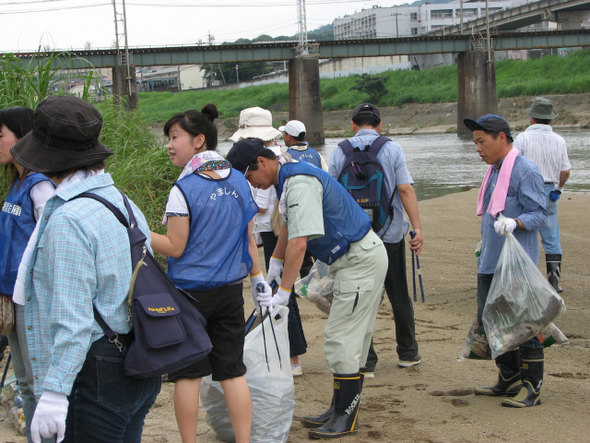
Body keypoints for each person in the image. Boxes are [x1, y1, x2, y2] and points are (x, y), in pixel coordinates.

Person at [11, 95, 161, 443]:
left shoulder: (68, 219)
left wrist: (54, 393)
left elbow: (73, 321)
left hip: (95, 370)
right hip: (139, 357)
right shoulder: (123, 201)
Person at [227, 139, 388, 439]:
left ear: (261, 163)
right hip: (354, 258)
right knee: (352, 339)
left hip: (359, 261)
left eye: (250, 178)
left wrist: (284, 294)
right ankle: (338, 409)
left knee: (342, 339)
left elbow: (300, 244)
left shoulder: (298, 182)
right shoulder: (288, 175)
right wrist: (274, 264)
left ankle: (346, 416)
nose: (254, 186)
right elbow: (288, 224)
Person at [150, 105, 270, 443]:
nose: (170, 145)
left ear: (198, 140)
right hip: (231, 291)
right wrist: (258, 280)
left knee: (188, 375)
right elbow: (248, 240)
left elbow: (174, 246)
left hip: (189, 294)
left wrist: (137, 230)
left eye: (175, 138)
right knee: (232, 372)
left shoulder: (184, 188)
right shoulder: (239, 181)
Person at [328, 103, 423, 377]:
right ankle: (407, 353)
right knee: (399, 294)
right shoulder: (392, 148)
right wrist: (416, 228)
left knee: (360, 296)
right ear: (379, 125)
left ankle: (366, 361)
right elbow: (404, 189)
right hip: (390, 233)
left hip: (356, 236)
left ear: (353, 124)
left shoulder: (339, 150)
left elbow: (332, 194)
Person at [464, 113, 547, 408]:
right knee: (492, 320)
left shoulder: (525, 170)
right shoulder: (495, 170)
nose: (478, 148)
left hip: (515, 264)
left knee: (523, 324)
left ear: (502, 138)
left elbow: (540, 213)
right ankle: (509, 377)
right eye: (476, 143)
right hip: (489, 260)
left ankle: (532, 386)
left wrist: (516, 222)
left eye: (481, 141)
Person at [231, 108, 308, 378]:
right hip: (283, 228)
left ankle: (291, 356)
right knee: (279, 288)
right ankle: (288, 354)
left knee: (280, 291)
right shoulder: (282, 154)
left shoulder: (261, 161)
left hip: (278, 230)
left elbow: (262, 205)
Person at [0, 107, 55, 443]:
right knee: (23, 382)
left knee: (37, 382)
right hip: (12, 295)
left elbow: (50, 242)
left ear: (23, 138)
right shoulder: (17, 183)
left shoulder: (39, 186)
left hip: (32, 299)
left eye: (0, 135)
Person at [513, 97, 571, 293]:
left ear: (532, 118)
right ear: (551, 119)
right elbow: (565, 171)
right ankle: (554, 283)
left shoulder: (522, 138)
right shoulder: (559, 141)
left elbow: (513, 165)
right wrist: (559, 189)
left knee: (524, 233)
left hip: (526, 189)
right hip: (548, 190)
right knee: (551, 236)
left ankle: (526, 279)